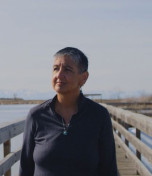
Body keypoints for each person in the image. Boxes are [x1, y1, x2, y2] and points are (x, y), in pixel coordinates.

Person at [19, 47, 118, 176]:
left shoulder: (99, 115)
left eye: (67, 69)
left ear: (84, 77)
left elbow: (109, 169)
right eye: (56, 69)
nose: (59, 75)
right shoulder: (36, 116)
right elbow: (25, 168)